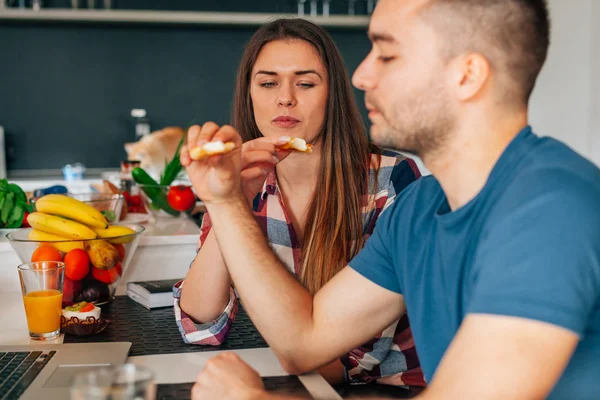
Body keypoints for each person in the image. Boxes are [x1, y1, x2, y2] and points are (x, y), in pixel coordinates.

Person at [184, 0, 600, 399]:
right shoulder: (420, 207)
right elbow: (303, 340)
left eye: (387, 55)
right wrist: (226, 201)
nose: (361, 76)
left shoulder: (552, 208)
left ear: (466, 75)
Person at [175, 18, 424, 387]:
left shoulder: (390, 177)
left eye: (305, 83)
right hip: (299, 379)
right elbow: (201, 326)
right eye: (268, 82)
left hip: (392, 390)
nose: (285, 97)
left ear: (332, 95)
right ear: (250, 94)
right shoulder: (241, 176)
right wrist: (231, 201)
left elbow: (359, 357)